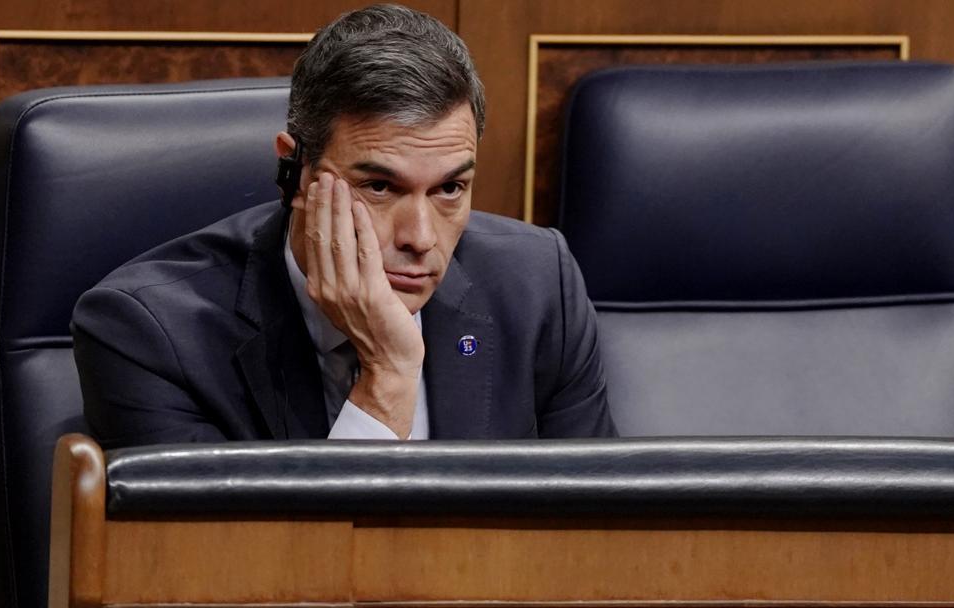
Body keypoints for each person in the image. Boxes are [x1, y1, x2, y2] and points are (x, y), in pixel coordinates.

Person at [71, 3, 616, 447]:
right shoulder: (150, 333)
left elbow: (598, 533)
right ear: (294, 171)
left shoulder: (538, 285)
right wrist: (387, 375)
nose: (420, 238)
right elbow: (228, 573)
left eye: (449, 188)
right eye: (379, 187)